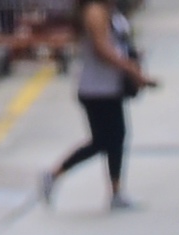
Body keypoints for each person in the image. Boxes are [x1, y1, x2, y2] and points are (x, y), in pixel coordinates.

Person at [47, 0, 148, 207]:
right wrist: (129, 68)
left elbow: (117, 43)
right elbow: (101, 50)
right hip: (96, 88)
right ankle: (54, 174)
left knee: (116, 137)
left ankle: (116, 191)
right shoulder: (94, 11)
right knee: (103, 141)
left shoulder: (110, 10)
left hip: (110, 86)